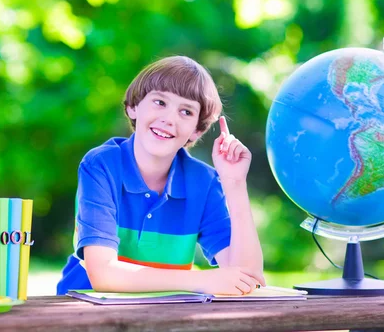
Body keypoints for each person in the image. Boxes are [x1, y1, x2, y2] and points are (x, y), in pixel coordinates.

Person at [56, 55, 265, 295]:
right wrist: (204, 280)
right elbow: (103, 274)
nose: (169, 119)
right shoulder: (102, 165)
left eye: (186, 111)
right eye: (160, 102)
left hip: (162, 315)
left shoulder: (204, 182)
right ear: (133, 107)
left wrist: (235, 183)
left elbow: (248, 277)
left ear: (197, 130)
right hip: (87, 312)